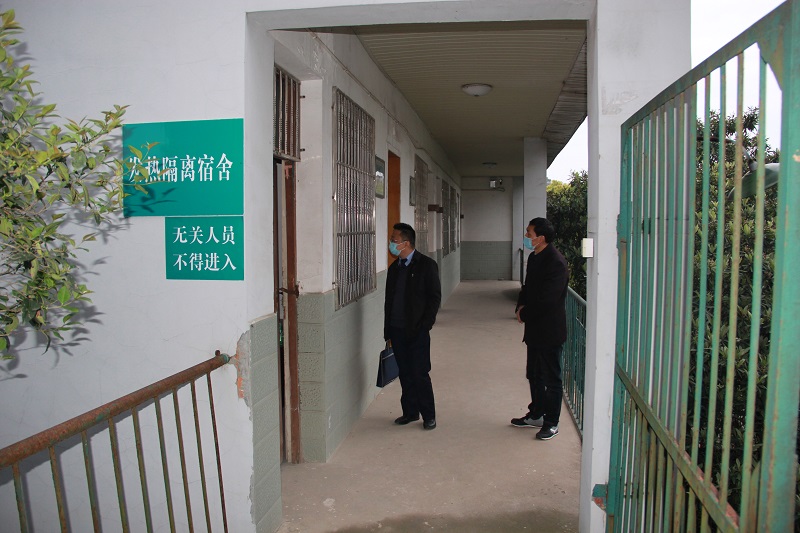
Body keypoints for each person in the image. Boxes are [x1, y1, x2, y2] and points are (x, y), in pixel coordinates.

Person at [511, 217, 569, 440]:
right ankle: (536, 414)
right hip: (534, 330)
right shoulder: (534, 257)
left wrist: (525, 314)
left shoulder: (556, 262)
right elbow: (527, 288)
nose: (526, 236)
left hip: (550, 331)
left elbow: (548, 300)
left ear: (541, 238)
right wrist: (520, 306)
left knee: (552, 379)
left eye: (529, 233)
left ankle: (551, 422)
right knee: (534, 374)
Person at [384, 222, 442, 430]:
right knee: (405, 373)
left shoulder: (426, 265)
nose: (391, 244)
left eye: (394, 240)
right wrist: (388, 330)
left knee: (419, 373)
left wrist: (425, 325)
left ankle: (429, 415)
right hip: (397, 329)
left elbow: (434, 298)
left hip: (417, 330)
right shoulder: (394, 269)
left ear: (406, 243)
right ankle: (410, 412)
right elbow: (389, 301)